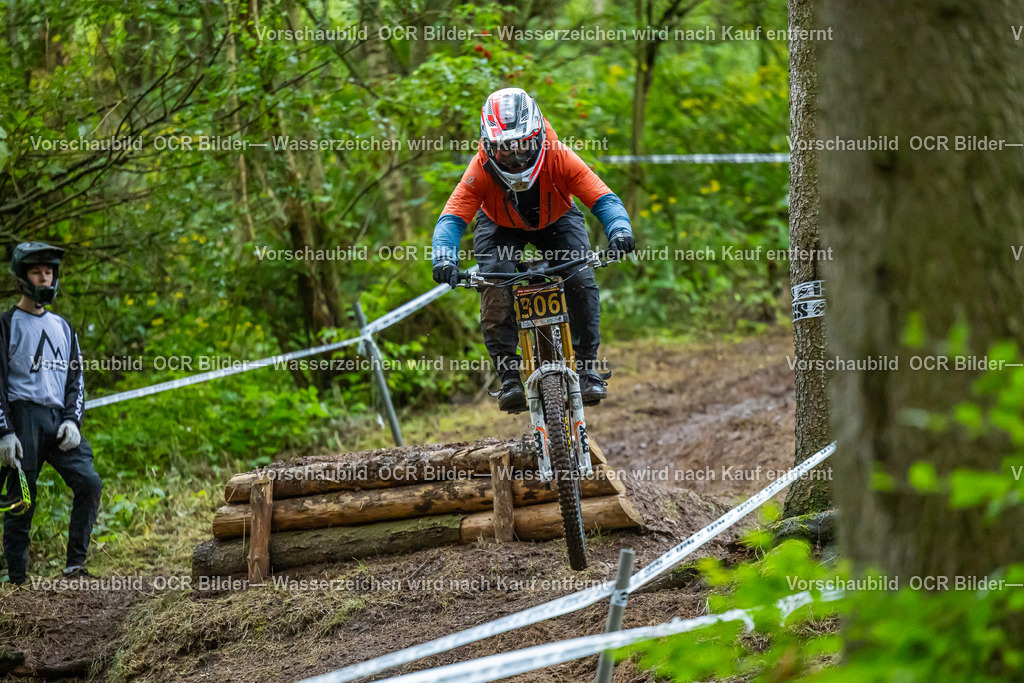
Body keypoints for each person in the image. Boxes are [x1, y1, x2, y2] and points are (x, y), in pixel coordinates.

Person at [431, 87, 636, 413]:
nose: (515, 158)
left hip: (558, 219)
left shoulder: (559, 155)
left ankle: (585, 367)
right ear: (488, 146)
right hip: (499, 225)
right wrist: (444, 256)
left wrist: (620, 230)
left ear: (538, 136)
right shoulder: (480, 168)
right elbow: (452, 218)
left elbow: (602, 198)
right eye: (505, 151)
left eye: (524, 146)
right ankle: (509, 376)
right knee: (495, 281)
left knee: (580, 276)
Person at [0, 242, 101, 585]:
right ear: (22, 276)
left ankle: (75, 565)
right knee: (22, 497)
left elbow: (77, 380)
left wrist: (73, 420)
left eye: (49, 272)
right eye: (36, 272)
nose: (44, 279)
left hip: (58, 419)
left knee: (89, 482)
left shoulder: (65, 328)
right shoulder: (6, 324)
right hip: (22, 417)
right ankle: (17, 579)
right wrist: (4, 431)